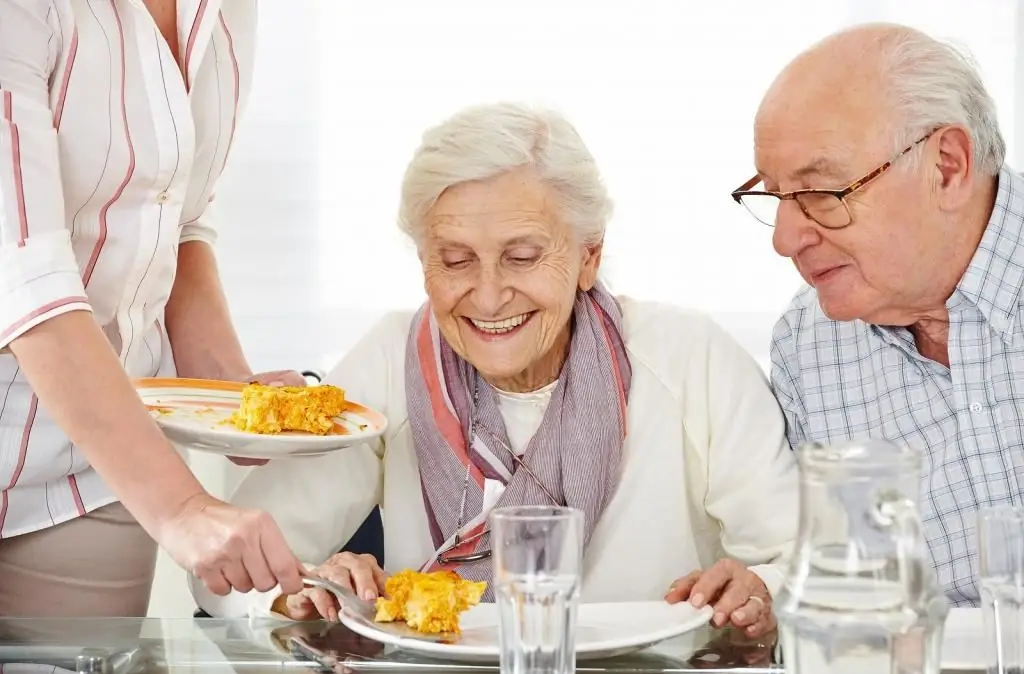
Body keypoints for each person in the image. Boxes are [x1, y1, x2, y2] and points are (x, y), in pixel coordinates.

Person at [193, 102, 798, 638]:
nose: (487, 298)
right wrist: (300, 590)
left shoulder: (692, 358)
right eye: (455, 261)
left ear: (590, 256)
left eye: (523, 256)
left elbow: (795, 561)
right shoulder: (390, 357)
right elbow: (226, 573)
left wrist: (758, 589)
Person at [0, 0, 305, 616]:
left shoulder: (226, 11)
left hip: (97, 465)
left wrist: (229, 396)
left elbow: (178, 219)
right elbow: (24, 271)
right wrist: (184, 509)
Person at [731, 22, 1017, 607]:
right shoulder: (809, 346)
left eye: (824, 192)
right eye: (776, 196)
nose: (785, 239)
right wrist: (768, 588)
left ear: (947, 167)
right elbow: (834, 588)